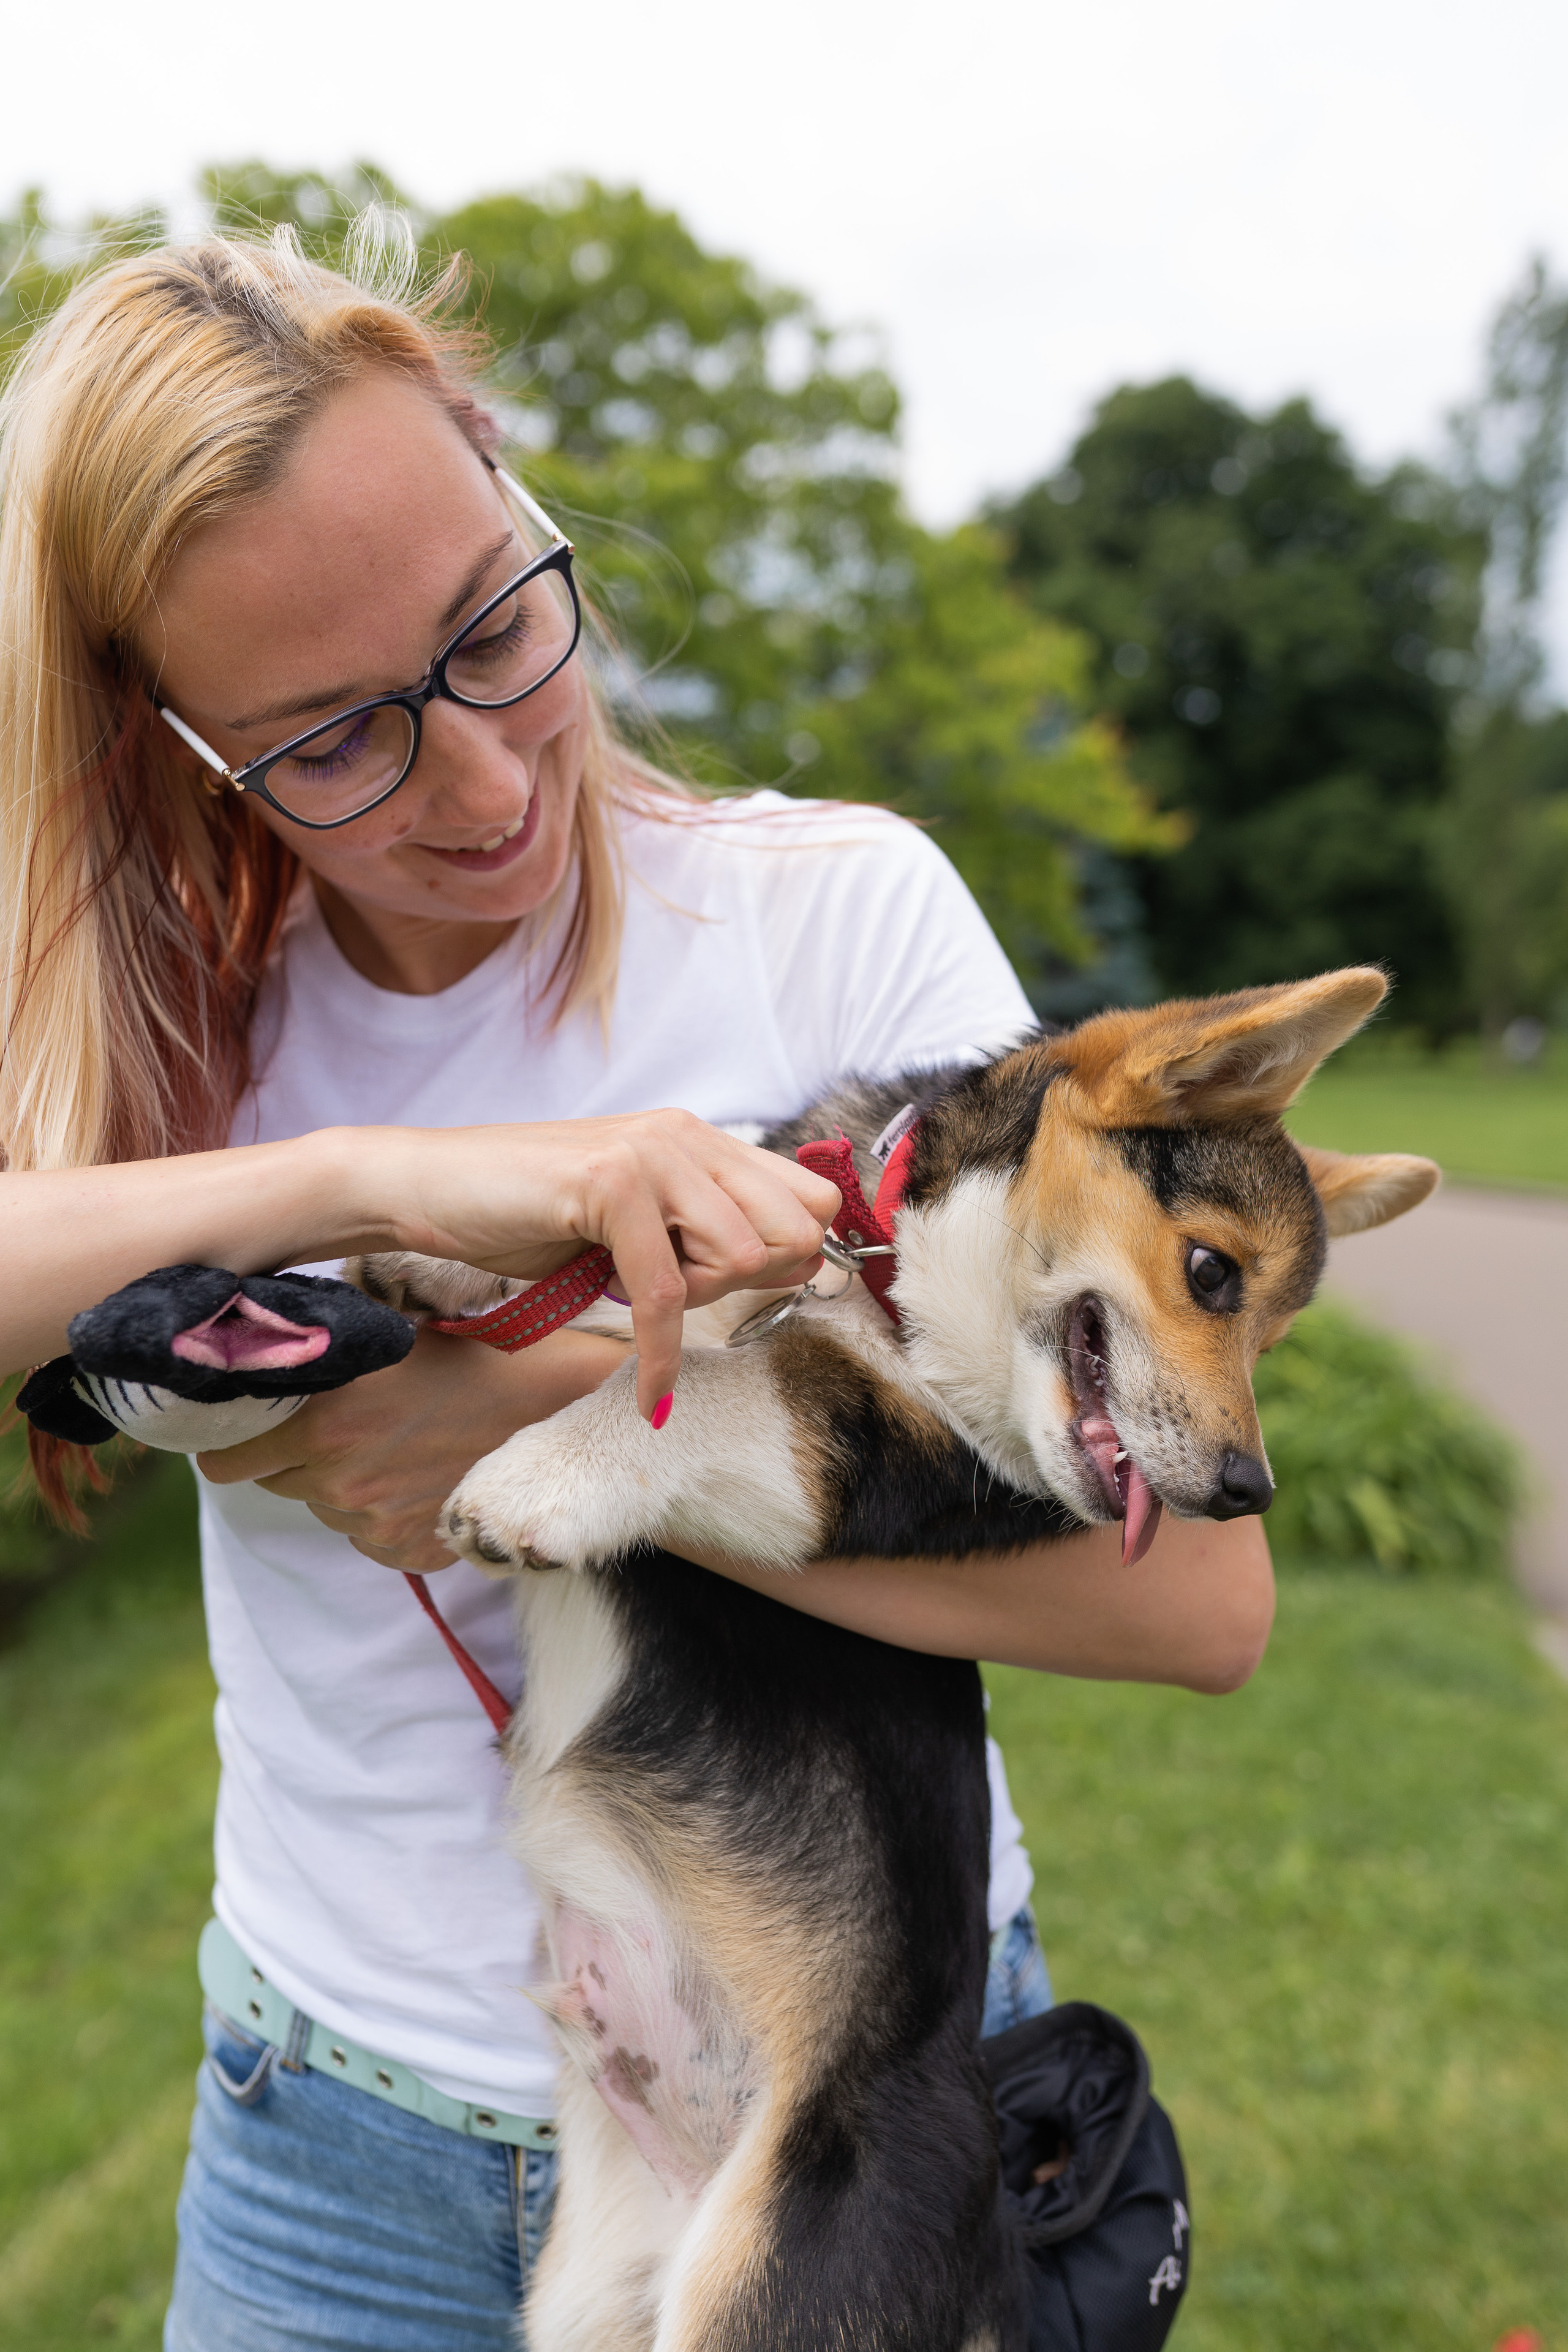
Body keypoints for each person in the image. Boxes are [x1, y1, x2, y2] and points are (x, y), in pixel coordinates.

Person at [0, 227, 1274, 2352]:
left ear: (515, 484)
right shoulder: (155, 1032)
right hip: (334, 2140)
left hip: (836, 2096)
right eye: (332, 745)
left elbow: (1188, 1604)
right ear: (167, 741)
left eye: (499, 622)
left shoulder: (830, 926)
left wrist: (555, 1412)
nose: (488, 781)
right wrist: (355, 1171)